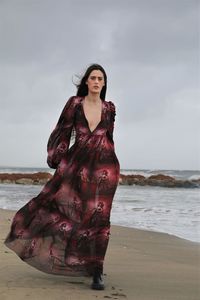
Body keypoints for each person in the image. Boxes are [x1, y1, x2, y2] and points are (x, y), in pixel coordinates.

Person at [4, 63, 120, 290]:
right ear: (86, 81)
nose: (96, 82)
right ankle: (79, 260)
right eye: (93, 78)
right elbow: (63, 130)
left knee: (100, 220)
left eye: (100, 79)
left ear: (104, 83)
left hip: (105, 170)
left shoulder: (109, 108)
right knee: (72, 212)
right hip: (77, 166)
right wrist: (58, 158)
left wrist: (115, 168)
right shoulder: (75, 104)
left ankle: (97, 270)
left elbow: (110, 139)